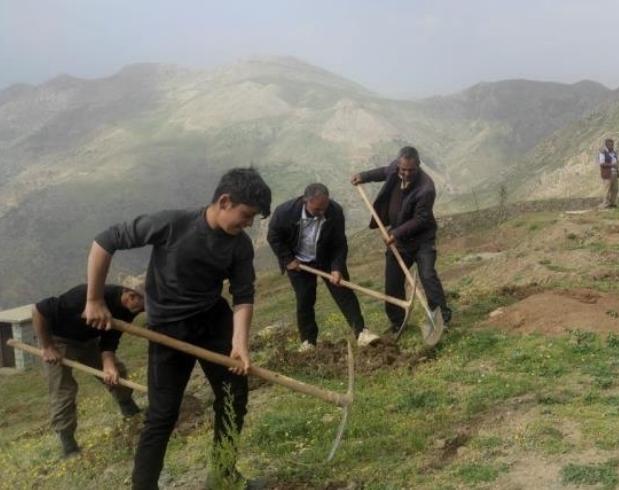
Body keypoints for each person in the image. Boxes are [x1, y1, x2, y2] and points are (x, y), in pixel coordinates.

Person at [83, 168, 272, 490]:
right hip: (167, 331)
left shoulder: (239, 245)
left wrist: (239, 343)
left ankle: (224, 477)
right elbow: (105, 241)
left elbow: (243, 296)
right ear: (224, 201)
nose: (249, 224)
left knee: (233, 398)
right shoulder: (173, 224)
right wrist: (94, 298)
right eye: (246, 215)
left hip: (214, 322)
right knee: (162, 413)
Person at [33, 280, 145, 458]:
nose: (142, 312)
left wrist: (108, 364)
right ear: (131, 296)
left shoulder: (129, 308)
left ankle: (129, 409)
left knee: (118, 372)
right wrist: (47, 346)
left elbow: (111, 336)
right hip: (58, 341)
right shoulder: (83, 296)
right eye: (143, 307)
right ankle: (68, 444)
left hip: (88, 340)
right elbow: (39, 310)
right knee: (63, 391)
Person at [351, 146, 452, 333]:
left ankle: (441, 318)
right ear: (399, 164)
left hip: (422, 240)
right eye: (402, 169)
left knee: (428, 276)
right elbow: (383, 171)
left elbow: (421, 219)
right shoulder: (396, 168)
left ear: (418, 166)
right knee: (393, 281)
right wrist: (363, 176)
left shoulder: (426, 188)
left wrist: (395, 234)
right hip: (400, 241)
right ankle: (398, 322)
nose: (405, 173)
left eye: (410, 170)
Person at [267, 183, 380, 351]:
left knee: (344, 293)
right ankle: (308, 342)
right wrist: (287, 259)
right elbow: (273, 236)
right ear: (306, 201)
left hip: (326, 258)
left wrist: (337, 268)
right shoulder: (285, 212)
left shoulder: (335, 211)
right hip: (298, 262)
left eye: (324, 208)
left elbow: (340, 244)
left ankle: (361, 333)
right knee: (305, 299)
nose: (322, 213)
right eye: (317, 209)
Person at [598, 138, 619, 208]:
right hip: (607, 174)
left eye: (612, 144)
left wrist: (617, 164)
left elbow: (616, 161)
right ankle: (605, 203)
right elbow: (602, 163)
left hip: (615, 173)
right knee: (607, 190)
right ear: (606, 145)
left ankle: (612, 203)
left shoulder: (614, 153)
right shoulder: (602, 153)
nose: (611, 146)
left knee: (615, 189)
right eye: (610, 144)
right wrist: (612, 165)